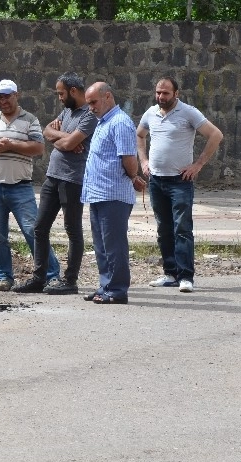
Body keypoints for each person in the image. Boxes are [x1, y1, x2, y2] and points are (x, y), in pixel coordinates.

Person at [137, 77, 224, 293]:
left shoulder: (189, 112)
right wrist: (144, 161)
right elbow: (139, 135)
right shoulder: (151, 113)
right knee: (163, 229)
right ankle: (170, 273)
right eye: (158, 92)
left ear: (177, 93)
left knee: (182, 229)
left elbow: (215, 135)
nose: (161, 97)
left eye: (165, 93)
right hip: (156, 180)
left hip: (180, 182)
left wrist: (198, 164)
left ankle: (186, 276)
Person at [14, 73, 97, 295]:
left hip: (73, 179)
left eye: (61, 93)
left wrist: (62, 139)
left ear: (72, 91)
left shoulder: (89, 114)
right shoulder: (67, 111)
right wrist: (64, 138)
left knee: (72, 229)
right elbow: (46, 131)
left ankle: (70, 280)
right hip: (54, 176)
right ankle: (39, 277)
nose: (59, 97)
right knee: (40, 228)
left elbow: (69, 142)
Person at [0, 79, 59, 291]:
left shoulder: (30, 120)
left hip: (20, 187)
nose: (3, 101)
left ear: (16, 95)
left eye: (7, 96)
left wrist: (11, 145)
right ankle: (3, 277)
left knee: (34, 232)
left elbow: (38, 147)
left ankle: (51, 274)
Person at [81, 82, 139, 304]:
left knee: (114, 245)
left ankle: (117, 290)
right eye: (88, 104)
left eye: (94, 102)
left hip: (113, 194)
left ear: (108, 97)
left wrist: (133, 176)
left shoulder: (120, 122)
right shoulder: (103, 122)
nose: (91, 108)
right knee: (102, 245)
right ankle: (106, 286)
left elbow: (129, 159)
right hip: (98, 193)